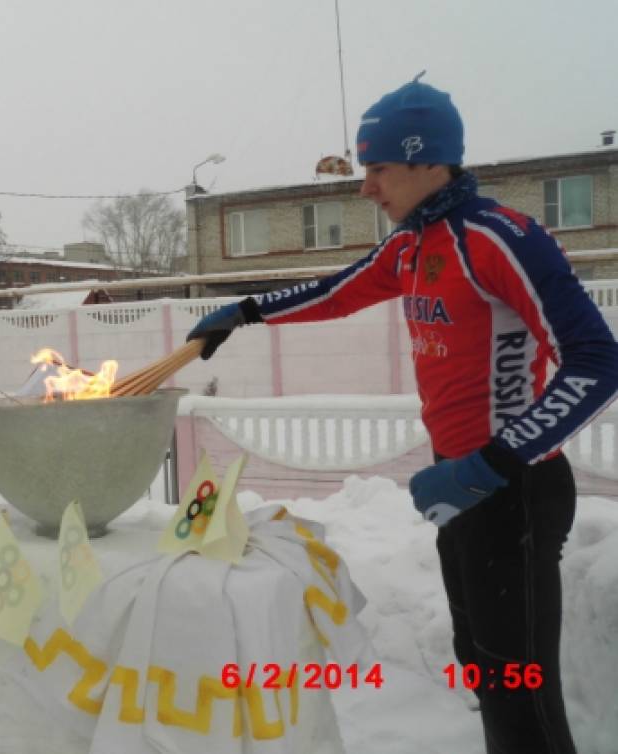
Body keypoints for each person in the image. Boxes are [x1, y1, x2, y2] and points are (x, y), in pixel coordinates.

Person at [186, 74, 618, 753]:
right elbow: (338, 291)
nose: (365, 187)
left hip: (514, 488)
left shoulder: (498, 238)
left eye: (377, 168)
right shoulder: (415, 243)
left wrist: (494, 461)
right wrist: (244, 311)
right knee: (480, 661)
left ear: (425, 159)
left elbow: (597, 359)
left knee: (520, 688)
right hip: (462, 487)